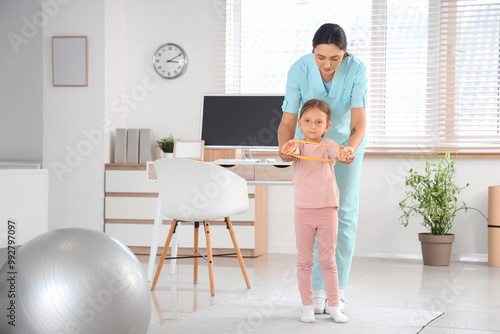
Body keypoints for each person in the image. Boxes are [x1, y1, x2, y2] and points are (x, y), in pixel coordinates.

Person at [278, 23, 368, 314]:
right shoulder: (298, 70)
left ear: (345, 53)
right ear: (312, 52)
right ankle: (317, 291)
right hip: (310, 145)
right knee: (312, 211)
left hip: (344, 146)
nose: (327, 64)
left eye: (334, 58)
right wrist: (285, 147)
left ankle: (336, 291)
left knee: (342, 213)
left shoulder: (357, 69)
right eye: (320, 57)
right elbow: (289, 120)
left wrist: (350, 148)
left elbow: (359, 122)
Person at [281, 99, 349, 323]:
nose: (312, 126)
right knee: (304, 261)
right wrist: (287, 148)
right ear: (299, 123)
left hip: (328, 210)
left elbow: (340, 155)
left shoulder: (329, 145)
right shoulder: (297, 146)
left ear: (327, 126)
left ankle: (335, 306)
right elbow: (288, 153)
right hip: (303, 211)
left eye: (318, 122)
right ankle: (307, 306)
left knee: (328, 261)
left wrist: (346, 153)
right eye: (308, 121)